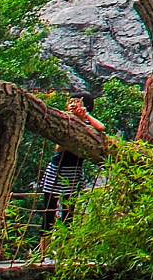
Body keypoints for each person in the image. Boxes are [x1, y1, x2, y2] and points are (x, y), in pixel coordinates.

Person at [35, 99, 106, 236]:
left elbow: (101, 127)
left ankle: (62, 253)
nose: (72, 105)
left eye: (76, 102)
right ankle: (44, 254)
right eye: (70, 101)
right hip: (56, 170)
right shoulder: (65, 122)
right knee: (48, 214)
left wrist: (85, 116)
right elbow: (58, 148)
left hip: (73, 172)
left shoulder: (87, 125)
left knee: (68, 215)